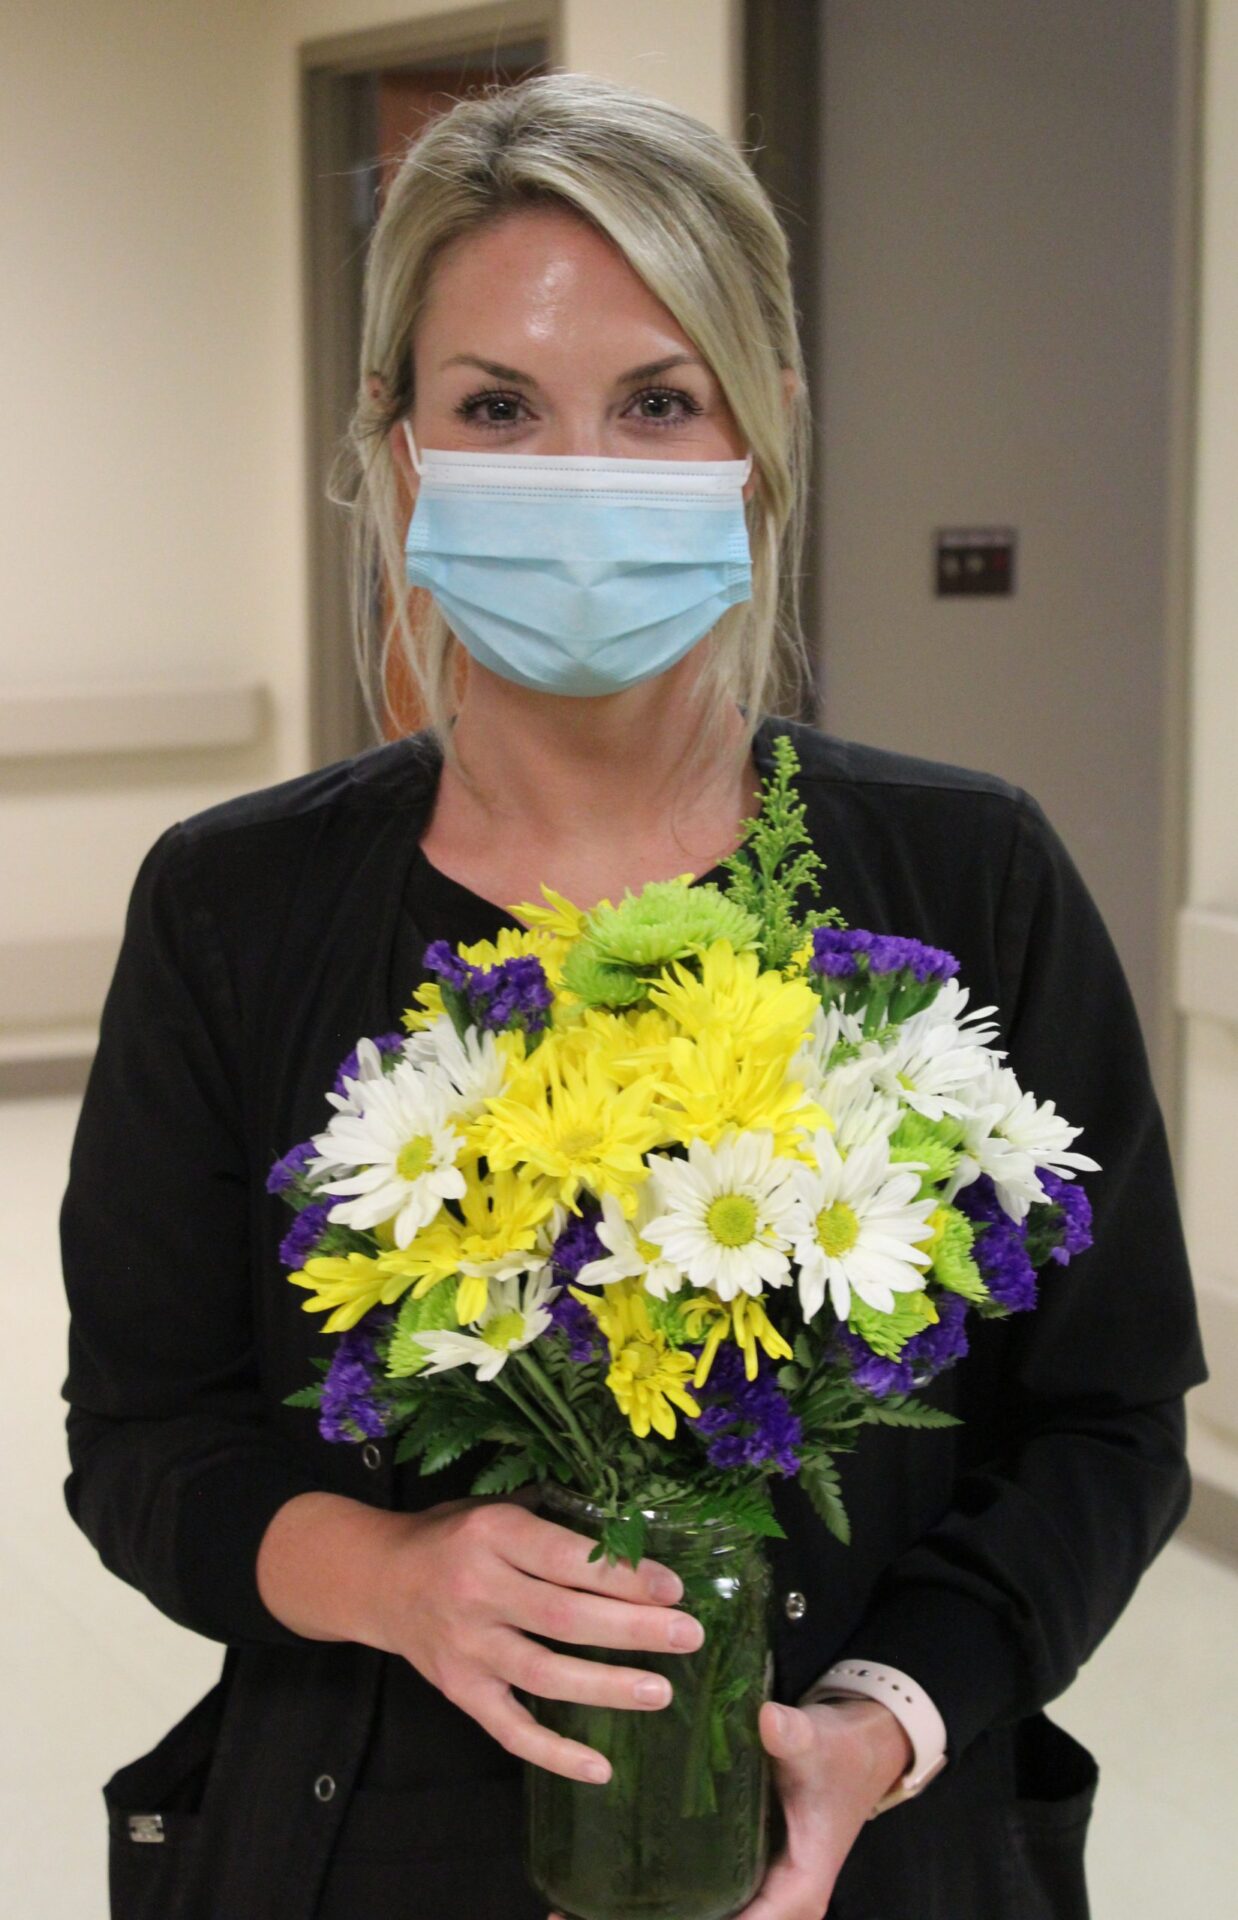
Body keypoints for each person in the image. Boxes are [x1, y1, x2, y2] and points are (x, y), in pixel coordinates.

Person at [61, 72, 1205, 1920]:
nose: (574, 471)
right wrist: (386, 1574)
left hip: (852, 1859)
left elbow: (1106, 1421)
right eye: (497, 407)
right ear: (394, 440)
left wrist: (884, 1721)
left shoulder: (961, 875)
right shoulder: (233, 907)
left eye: (656, 402)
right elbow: (144, 1441)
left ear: (761, 434)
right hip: (372, 1843)